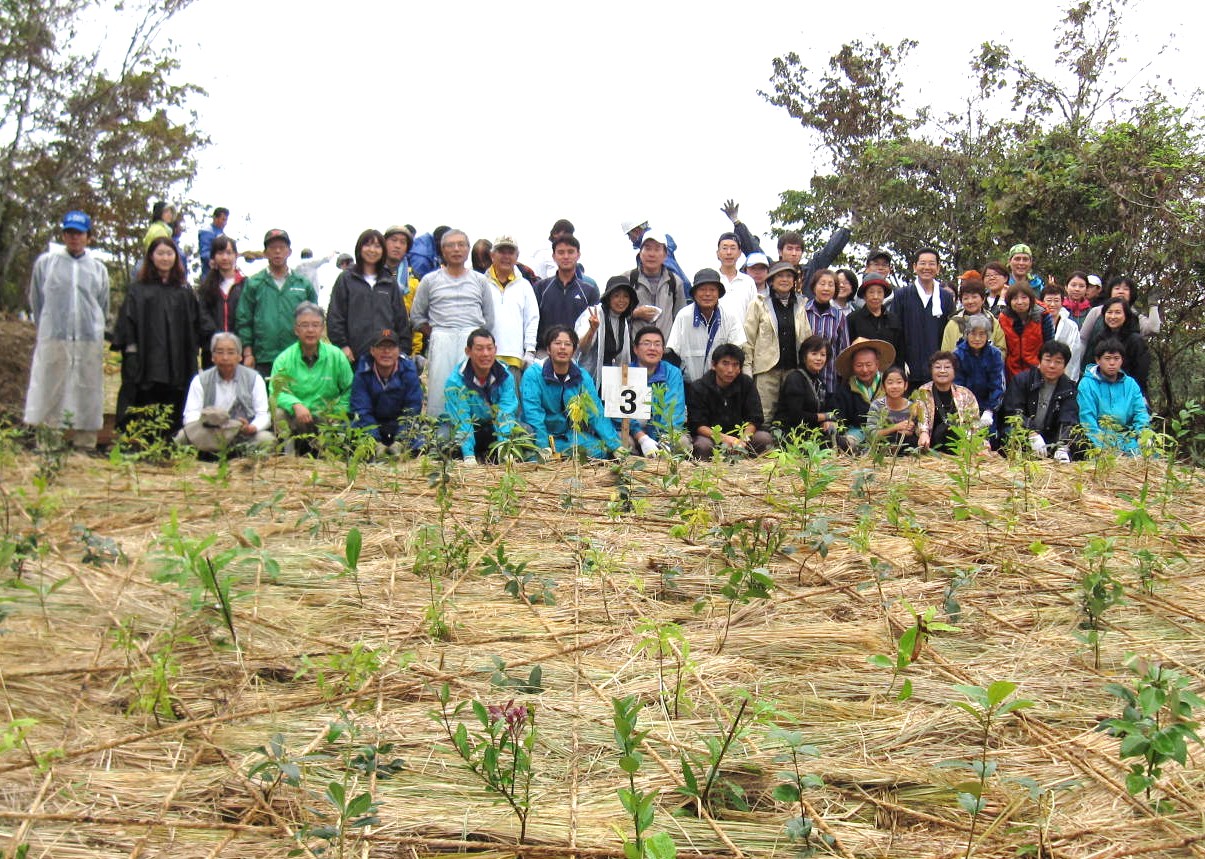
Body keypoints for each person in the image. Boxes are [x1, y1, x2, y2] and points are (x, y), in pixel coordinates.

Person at [23, 210, 110, 449]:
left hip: (87, 339)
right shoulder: (46, 263)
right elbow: (37, 299)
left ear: (88, 237)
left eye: (79, 233)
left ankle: (85, 442)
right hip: (55, 336)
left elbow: (102, 303)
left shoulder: (97, 268)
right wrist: (48, 327)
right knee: (50, 386)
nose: (74, 238)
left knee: (88, 388)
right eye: (70, 233)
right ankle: (48, 439)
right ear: (63, 234)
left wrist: (94, 330)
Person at [112, 236, 202, 432]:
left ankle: (171, 439)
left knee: (175, 398)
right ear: (151, 256)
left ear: (175, 258)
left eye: (169, 254)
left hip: (177, 361)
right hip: (147, 360)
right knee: (144, 398)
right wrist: (131, 353)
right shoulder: (138, 290)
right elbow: (127, 323)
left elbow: (195, 325)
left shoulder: (184, 292)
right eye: (160, 253)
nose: (165, 258)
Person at [411, 229, 496, 417]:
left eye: (461, 245)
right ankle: (439, 437)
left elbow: (489, 318)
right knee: (441, 390)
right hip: (442, 337)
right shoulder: (430, 280)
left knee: (472, 391)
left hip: (472, 340)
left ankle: (473, 435)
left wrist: (478, 342)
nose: (456, 249)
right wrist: (435, 333)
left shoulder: (480, 280)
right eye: (450, 245)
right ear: (442, 250)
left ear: (467, 249)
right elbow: (417, 317)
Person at [521, 325, 624, 459]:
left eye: (568, 344)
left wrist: (615, 445)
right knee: (535, 460)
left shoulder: (582, 376)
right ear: (548, 349)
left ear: (574, 349)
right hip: (540, 436)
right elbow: (533, 413)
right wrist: (542, 445)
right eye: (557, 343)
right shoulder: (533, 375)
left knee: (601, 451)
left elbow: (595, 412)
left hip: (569, 437)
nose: (562, 347)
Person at [270, 303, 353, 454]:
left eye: (315, 325)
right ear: (296, 329)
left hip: (327, 417)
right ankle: (288, 456)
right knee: (279, 413)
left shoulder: (336, 356)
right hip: (297, 417)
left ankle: (327, 454)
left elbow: (350, 389)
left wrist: (337, 411)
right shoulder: (284, 359)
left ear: (322, 329)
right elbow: (276, 392)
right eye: (304, 325)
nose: (310, 330)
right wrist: (295, 404)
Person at [236, 229, 319, 377]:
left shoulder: (303, 284)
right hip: (263, 358)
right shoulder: (254, 283)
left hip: (297, 357)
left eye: (282, 247)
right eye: (273, 248)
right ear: (265, 252)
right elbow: (244, 320)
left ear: (289, 251)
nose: (277, 252)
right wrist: (247, 353)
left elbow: (315, 321)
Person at [175, 332, 274, 454]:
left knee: (266, 440)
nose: (225, 358)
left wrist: (251, 428)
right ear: (212, 357)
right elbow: (190, 415)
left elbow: (263, 415)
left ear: (239, 356)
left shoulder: (254, 379)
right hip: (209, 434)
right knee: (181, 438)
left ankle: (248, 466)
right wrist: (208, 424)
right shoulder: (200, 381)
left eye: (231, 352)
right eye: (220, 352)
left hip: (242, 434)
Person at [720, 199, 851, 290]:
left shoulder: (809, 271)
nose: (794, 253)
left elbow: (829, 251)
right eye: (789, 249)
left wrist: (849, 228)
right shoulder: (770, 268)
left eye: (798, 249)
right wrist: (736, 222)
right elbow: (752, 247)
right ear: (780, 251)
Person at [327, 228, 411, 364]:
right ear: (359, 248)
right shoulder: (346, 279)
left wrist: (402, 352)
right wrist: (342, 346)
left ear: (383, 250)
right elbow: (335, 316)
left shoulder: (389, 282)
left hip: (386, 359)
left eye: (377, 246)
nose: (372, 250)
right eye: (367, 245)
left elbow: (401, 321)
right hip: (353, 356)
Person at [744, 260, 813, 423]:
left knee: (791, 415)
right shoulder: (759, 303)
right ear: (771, 280)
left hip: (793, 370)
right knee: (764, 416)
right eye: (780, 275)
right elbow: (748, 339)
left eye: (789, 276)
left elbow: (806, 337)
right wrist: (747, 369)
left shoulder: (800, 304)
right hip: (766, 369)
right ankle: (762, 448)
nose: (785, 279)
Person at [444, 328, 522, 464]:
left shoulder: (505, 376)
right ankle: (468, 456)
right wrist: (468, 454)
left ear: (495, 350)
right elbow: (462, 418)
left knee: (525, 430)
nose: (485, 354)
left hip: (492, 429)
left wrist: (504, 447)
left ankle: (495, 455)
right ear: (468, 351)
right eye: (479, 349)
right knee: (443, 437)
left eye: (489, 348)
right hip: (469, 429)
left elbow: (506, 411)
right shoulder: (455, 381)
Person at [686, 343, 772, 459]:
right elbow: (698, 424)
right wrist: (725, 439)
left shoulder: (746, 384)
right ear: (713, 365)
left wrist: (743, 440)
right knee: (703, 445)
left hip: (741, 437)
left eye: (735, 365)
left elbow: (754, 418)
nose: (730, 370)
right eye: (725, 364)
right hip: (711, 437)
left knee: (764, 438)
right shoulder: (699, 387)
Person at [1001, 340, 1079, 462]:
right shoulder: (1022, 380)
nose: (1052, 365)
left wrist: (1063, 446)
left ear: (1065, 365)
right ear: (1040, 361)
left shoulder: (1068, 387)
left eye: (1058, 362)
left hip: (1049, 436)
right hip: (1023, 433)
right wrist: (1031, 433)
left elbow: (1068, 418)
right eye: (1048, 360)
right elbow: (1013, 412)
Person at [349, 328, 423, 455]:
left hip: (398, 424)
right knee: (350, 435)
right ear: (372, 351)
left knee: (421, 440)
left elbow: (413, 407)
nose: (386, 352)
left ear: (399, 350)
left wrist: (401, 440)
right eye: (381, 347)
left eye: (391, 347)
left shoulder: (409, 370)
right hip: (373, 423)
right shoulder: (362, 371)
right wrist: (374, 441)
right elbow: (361, 409)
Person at [666, 268, 747, 383]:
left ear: (719, 293)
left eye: (712, 290)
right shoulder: (683, 316)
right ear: (694, 293)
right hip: (689, 384)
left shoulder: (730, 316)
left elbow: (737, 350)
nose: (707, 294)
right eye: (702, 290)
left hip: (721, 385)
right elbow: (673, 350)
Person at [483, 236, 539, 395]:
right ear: (492, 255)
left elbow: (532, 319)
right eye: (501, 251)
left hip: (514, 358)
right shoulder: (481, 283)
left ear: (517, 257)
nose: (506, 256)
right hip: (484, 358)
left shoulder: (525, 286)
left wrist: (530, 350)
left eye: (511, 252)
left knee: (512, 409)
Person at [1077, 338, 1150, 455]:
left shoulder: (1130, 384)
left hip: (1128, 439)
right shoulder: (1087, 384)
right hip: (1098, 439)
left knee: (1149, 456)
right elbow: (1088, 421)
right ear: (1098, 360)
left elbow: (1141, 413)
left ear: (1122, 360)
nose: (1112, 363)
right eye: (1107, 358)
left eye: (1116, 359)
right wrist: (1104, 447)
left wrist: (1143, 435)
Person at [893, 248, 954, 386]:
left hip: (938, 371)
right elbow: (895, 331)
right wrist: (900, 363)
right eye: (923, 263)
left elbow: (950, 332)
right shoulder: (902, 295)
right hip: (909, 369)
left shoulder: (946, 298)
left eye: (932, 264)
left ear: (938, 268)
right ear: (915, 267)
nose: (927, 267)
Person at [626, 325, 687, 456]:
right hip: (633, 432)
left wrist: (664, 440)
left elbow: (674, 409)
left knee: (682, 442)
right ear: (635, 349)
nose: (652, 348)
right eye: (646, 343)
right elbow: (619, 414)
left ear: (663, 349)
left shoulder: (673, 373)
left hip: (662, 432)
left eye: (657, 344)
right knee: (623, 443)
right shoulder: (624, 373)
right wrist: (642, 438)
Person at [534, 234, 600, 350]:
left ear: (578, 255)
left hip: (577, 356)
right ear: (554, 256)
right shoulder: (540, 288)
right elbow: (532, 323)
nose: (566, 256)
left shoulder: (589, 291)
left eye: (570, 252)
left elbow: (593, 330)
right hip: (544, 354)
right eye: (561, 252)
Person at [831, 338, 893, 452]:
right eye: (859, 365)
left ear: (877, 364)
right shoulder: (845, 389)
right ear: (852, 366)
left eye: (869, 364)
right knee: (846, 443)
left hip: (886, 432)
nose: (864, 370)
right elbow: (840, 418)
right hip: (857, 432)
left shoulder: (889, 384)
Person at [1080, 296, 1151, 394]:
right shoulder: (1099, 338)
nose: (1113, 316)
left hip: (1128, 392)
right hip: (1100, 391)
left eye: (1118, 312)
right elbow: (1091, 365)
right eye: (1109, 312)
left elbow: (1141, 373)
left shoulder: (1135, 340)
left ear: (1126, 315)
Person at [773, 335, 837, 442]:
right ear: (804, 356)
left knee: (840, 440)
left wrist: (827, 421)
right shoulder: (795, 378)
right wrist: (824, 417)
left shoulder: (820, 382)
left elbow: (832, 409)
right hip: (790, 432)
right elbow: (796, 416)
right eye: (814, 354)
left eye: (823, 355)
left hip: (810, 430)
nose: (819, 358)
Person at [914, 351, 981, 453]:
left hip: (960, 444)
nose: (942, 371)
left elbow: (974, 422)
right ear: (931, 371)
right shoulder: (923, 391)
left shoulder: (965, 393)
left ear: (954, 371)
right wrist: (923, 433)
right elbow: (922, 418)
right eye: (937, 367)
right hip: (932, 444)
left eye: (947, 367)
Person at [575, 275, 639, 379]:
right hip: (588, 378)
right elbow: (581, 349)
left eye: (626, 296)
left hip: (611, 381)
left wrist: (625, 381)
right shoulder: (593, 314)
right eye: (616, 296)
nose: (621, 300)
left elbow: (624, 359)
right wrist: (592, 330)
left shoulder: (623, 321)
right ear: (608, 297)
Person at [626, 232, 686, 341]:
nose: (652, 254)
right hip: (634, 350)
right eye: (647, 249)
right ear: (640, 253)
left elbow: (681, 320)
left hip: (665, 350)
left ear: (665, 255)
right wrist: (634, 314)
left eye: (657, 249)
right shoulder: (627, 279)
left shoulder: (675, 282)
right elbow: (611, 315)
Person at [197, 235, 245, 369]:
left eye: (229, 253)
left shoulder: (246, 285)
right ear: (213, 257)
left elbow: (247, 317)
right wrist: (219, 340)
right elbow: (203, 317)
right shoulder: (206, 288)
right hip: (212, 352)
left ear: (236, 255)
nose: (225, 258)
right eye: (220, 253)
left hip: (238, 352)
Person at [952, 315, 1005, 435]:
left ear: (988, 335)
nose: (977, 338)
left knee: (988, 438)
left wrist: (990, 410)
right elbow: (957, 386)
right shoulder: (957, 354)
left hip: (987, 406)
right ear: (966, 334)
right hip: (963, 407)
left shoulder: (995, 354)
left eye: (982, 334)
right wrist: (966, 411)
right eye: (973, 334)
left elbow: (998, 385)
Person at [803, 268, 849, 393]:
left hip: (829, 379)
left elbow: (843, 350)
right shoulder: (803, 312)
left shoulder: (839, 317)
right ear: (814, 286)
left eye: (831, 285)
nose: (826, 288)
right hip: (803, 378)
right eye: (822, 284)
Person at [998, 283, 1054, 380]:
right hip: (1010, 372)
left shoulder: (1042, 315)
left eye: (1024, 298)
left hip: (1037, 370)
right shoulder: (1004, 318)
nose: (1020, 302)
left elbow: (1049, 344)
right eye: (1015, 299)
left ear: (1030, 299)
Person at [622, 218, 689, 297]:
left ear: (636, 231)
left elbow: (669, 273)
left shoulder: (658, 252)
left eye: (629, 235)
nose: (630, 239)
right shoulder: (663, 244)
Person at [846, 274, 904, 362]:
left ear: (884, 295)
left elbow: (899, 353)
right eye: (871, 292)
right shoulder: (852, 319)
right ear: (864, 296)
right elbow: (847, 350)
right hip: (862, 371)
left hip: (889, 372)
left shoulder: (894, 319)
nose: (875, 296)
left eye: (880, 292)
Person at [941, 278, 1006, 354]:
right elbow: (946, 352)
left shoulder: (992, 321)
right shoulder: (953, 324)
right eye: (966, 298)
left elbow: (1001, 349)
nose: (970, 301)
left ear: (983, 299)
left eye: (974, 297)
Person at [867, 366, 919, 452]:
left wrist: (911, 431)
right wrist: (895, 427)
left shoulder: (912, 407)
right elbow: (871, 434)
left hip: (905, 447)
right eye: (890, 383)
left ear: (905, 386)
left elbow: (919, 431)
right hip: (882, 448)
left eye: (899, 382)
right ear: (883, 387)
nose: (895, 386)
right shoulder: (877, 405)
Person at [1040, 282, 1085, 382]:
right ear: (1042, 302)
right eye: (1049, 300)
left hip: (1064, 373)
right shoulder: (1036, 323)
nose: (1052, 304)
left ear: (1062, 302)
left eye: (1056, 300)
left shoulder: (1071, 326)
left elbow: (1074, 353)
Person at [715, 232, 757, 324]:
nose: (729, 252)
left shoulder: (748, 282)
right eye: (724, 248)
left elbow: (754, 315)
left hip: (743, 337)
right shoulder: (712, 280)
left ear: (739, 253)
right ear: (717, 253)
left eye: (733, 248)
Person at [197, 207, 228, 278]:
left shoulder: (222, 234)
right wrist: (218, 260)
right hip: (209, 275)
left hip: (222, 275)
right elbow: (205, 253)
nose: (225, 223)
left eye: (226, 220)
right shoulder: (207, 231)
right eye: (223, 219)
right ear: (215, 218)